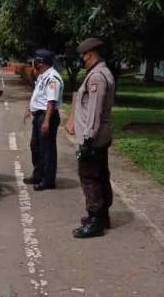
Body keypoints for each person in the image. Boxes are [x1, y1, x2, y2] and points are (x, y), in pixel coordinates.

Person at [69, 38, 116, 238]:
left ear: (89, 54)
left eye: (82, 56)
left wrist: (88, 139)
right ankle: (102, 216)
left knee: (90, 177)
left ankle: (95, 220)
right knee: (101, 174)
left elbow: (94, 112)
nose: (81, 60)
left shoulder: (96, 77)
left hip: (93, 136)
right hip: (101, 135)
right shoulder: (101, 73)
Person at [23, 49, 63, 191]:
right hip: (39, 116)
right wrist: (29, 108)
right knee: (36, 147)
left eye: (36, 60)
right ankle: (38, 175)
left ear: (42, 62)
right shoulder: (42, 76)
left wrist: (46, 121)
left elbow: (51, 102)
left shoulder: (52, 78)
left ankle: (48, 180)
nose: (34, 63)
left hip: (47, 116)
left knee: (47, 150)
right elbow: (39, 95)